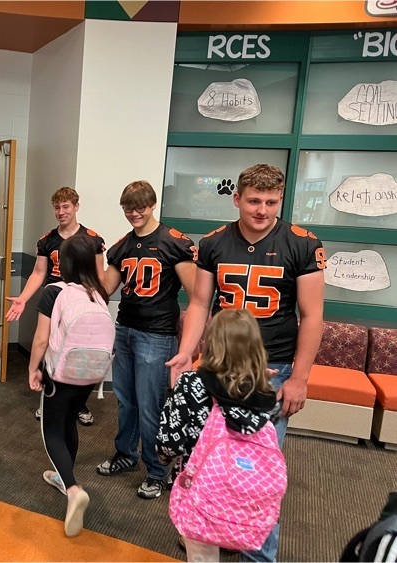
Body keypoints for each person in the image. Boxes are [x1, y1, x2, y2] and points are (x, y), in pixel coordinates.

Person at [167, 163, 326, 562]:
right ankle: (212, 530)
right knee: (208, 456)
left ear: (281, 200)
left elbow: (312, 316)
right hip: (219, 366)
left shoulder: (303, 243)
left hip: (273, 368)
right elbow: (200, 303)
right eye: (254, 201)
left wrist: (300, 378)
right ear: (237, 199)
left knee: (256, 468)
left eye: (271, 202)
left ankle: (258, 553)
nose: (262, 210)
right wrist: (187, 351)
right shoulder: (214, 241)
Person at [95, 180, 196, 501]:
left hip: (157, 334)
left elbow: (197, 294)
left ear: (152, 205)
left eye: (140, 207)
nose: (134, 213)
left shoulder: (174, 242)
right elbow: (104, 288)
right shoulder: (122, 245)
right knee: (126, 400)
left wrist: (193, 343)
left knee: (151, 405)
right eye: (128, 208)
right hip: (125, 329)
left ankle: (156, 470)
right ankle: (126, 453)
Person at [157, 309, 281, 562]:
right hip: (246, 494)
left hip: (201, 492)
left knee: (202, 555)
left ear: (211, 342)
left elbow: (170, 440)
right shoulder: (265, 393)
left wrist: (163, 458)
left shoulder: (191, 383)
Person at [28, 235, 112, 537]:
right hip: (91, 374)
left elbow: (41, 338)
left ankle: (73, 489)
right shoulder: (98, 294)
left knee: (52, 430)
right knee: (70, 423)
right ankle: (64, 478)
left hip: (60, 373)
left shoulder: (54, 291)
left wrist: (33, 368)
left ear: (62, 262)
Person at [6, 186, 105, 426]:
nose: (61, 212)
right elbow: (38, 273)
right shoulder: (47, 240)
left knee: (78, 353)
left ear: (76, 207)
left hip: (79, 304)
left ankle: (79, 403)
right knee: (50, 349)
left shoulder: (92, 239)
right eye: (57, 207)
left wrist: (96, 308)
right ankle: (48, 398)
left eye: (66, 206)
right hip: (53, 300)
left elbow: (99, 278)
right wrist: (23, 298)